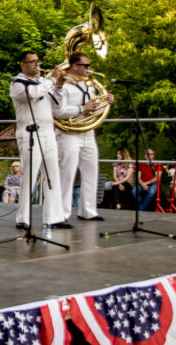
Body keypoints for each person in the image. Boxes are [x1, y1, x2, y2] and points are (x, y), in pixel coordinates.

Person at [10, 51, 70, 229]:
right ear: (23, 64)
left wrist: (58, 87)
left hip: (48, 132)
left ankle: (55, 217)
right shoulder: (17, 83)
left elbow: (57, 106)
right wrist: (52, 80)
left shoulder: (44, 82)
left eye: (37, 61)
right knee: (29, 175)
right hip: (29, 133)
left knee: (52, 175)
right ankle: (23, 218)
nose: (37, 65)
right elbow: (31, 95)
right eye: (32, 62)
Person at [51, 53, 111, 222]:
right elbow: (57, 112)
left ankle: (88, 210)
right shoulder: (62, 86)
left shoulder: (90, 85)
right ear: (75, 66)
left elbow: (94, 106)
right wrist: (82, 108)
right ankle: (61, 214)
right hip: (69, 134)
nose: (88, 69)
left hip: (87, 133)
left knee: (92, 172)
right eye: (85, 65)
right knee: (67, 174)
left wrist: (104, 101)